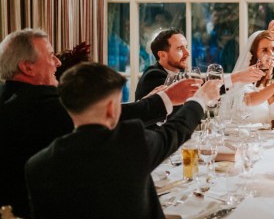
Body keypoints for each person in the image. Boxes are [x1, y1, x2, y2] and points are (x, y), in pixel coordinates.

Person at [0, 29, 199, 218]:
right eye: (51, 55)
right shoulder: (39, 104)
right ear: (27, 67)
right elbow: (107, 117)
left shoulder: (10, 95)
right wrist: (169, 98)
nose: (58, 62)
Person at [25, 62, 221, 219]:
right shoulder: (131, 141)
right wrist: (200, 99)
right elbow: (175, 132)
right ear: (112, 108)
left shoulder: (37, 165)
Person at [135, 28, 263, 102]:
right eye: (180, 49)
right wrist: (237, 77)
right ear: (162, 55)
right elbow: (198, 89)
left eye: (186, 47)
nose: (187, 53)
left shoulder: (178, 73)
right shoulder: (154, 76)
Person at [226, 31, 274, 124]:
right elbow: (250, 100)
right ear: (255, 54)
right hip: (246, 136)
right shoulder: (246, 78)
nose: (271, 54)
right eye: (265, 50)